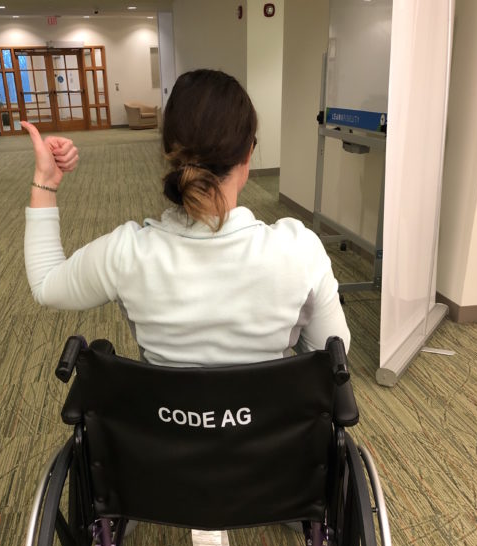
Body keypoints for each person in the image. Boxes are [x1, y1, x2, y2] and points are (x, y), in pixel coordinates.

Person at [23, 68, 350, 369]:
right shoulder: (299, 250)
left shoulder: (127, 254)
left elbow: (45, 286)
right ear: (247, 154)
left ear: (169, 153)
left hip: (162, 430)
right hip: (276, 431)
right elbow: (333, 355)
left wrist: (46, 183)